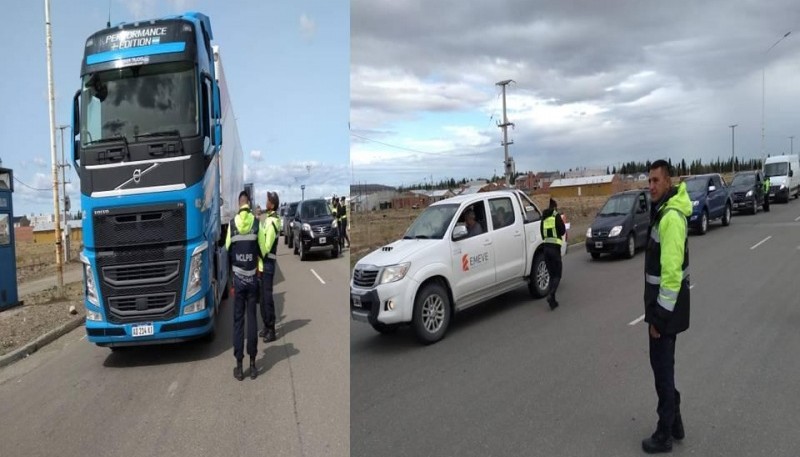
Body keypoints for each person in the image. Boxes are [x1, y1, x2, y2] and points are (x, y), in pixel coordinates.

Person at [642, 160, 691, 453]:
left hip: (666, 313)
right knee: (663, 369)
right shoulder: (664, 212)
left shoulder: (671, 217)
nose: (651, 186)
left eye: (656, 180)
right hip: (665, 311)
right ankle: (675, 422)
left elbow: (671, 276)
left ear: (668, 182)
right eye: (649, 181)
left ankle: (664, 434)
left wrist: (658, 318)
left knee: (662, 373)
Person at [225, 190, 260, 381]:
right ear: (249, 203)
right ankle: (253, 365)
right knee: (252, 319)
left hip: (238, 281)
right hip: (252, 279)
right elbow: (261, 250)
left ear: (240, 204)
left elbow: (226, 250)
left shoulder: (232, 225)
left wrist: (230, 279)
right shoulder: (256, 223)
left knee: (238, 321)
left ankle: (239, 367)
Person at [258, 191, 282, 343]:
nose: (265, 202)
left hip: (267, 263)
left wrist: (256, 251)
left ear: (271, 204)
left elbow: (266, 246)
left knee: (267, 298)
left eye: (267, 200)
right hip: (263, 263)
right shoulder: (268, 219)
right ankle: (266, 326)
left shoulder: (272, 222)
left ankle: (271, 330)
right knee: (262, 297)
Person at [540, 198, 565, 310]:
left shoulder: (544, 217)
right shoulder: (556, 215)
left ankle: (553, 302)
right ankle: (551, 295)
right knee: (558, 275)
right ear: (554, 206)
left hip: (545, 249)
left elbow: (542, 232)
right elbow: (562, 231)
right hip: (555, 249)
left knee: (551, 275)